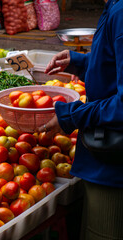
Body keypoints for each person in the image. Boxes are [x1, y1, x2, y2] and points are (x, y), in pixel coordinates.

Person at [38, 0, 123, 239]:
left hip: (114, 170)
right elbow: (114, 71)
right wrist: (82, 63)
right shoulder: (114, 6)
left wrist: (72, 116)